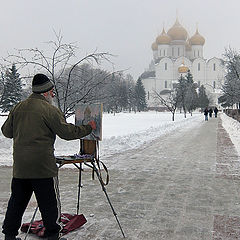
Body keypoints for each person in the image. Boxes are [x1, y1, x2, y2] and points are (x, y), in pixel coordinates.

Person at [1, 74, 95, 240]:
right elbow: (66, 132)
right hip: (42, 166)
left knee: (17, 202)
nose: (53, 94)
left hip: (21, 166)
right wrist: (88, 128)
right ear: (45, 92)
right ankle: (52, 235)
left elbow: (6, 131)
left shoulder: (18, 107)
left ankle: (9, 235)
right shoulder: (49, 110)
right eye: (52, 91)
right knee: (49, 204)